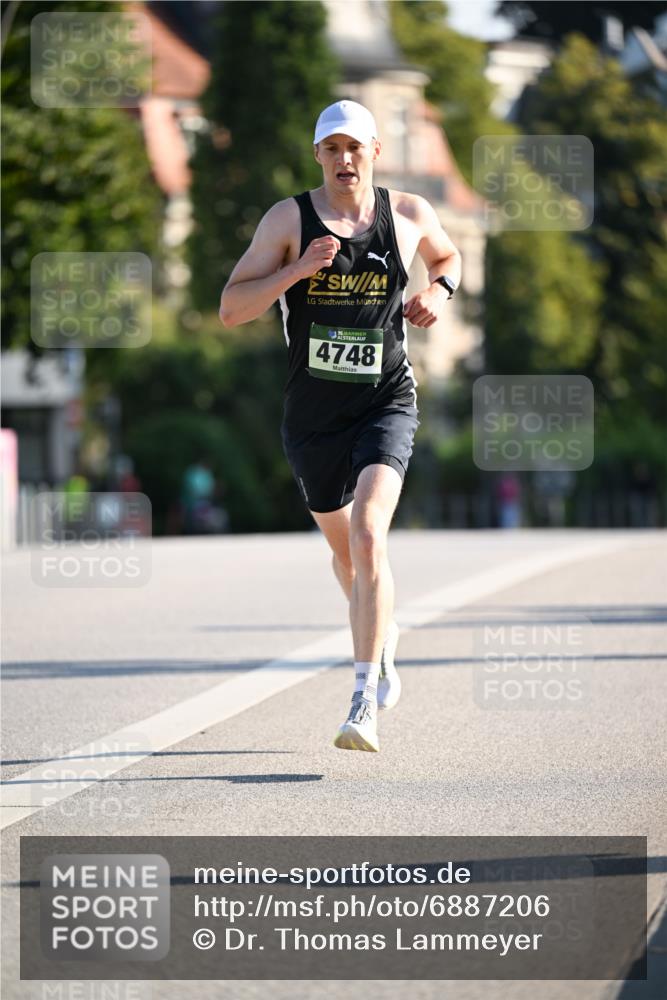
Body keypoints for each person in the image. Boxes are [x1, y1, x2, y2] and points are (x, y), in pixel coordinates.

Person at [219, 100, 461, 752]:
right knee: (344, 554)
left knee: (366, 533)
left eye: (355, 148)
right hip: (312, 418)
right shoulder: (287, 220)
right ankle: (381, 629)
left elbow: (447, 259)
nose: (344, 159)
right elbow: (231, 309)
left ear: (375, 152)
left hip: (385, 401)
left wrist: (438, 294)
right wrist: (297, 270)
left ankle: (362, 699)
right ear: (318, 156)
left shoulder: (407, 214)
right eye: (332, 149)